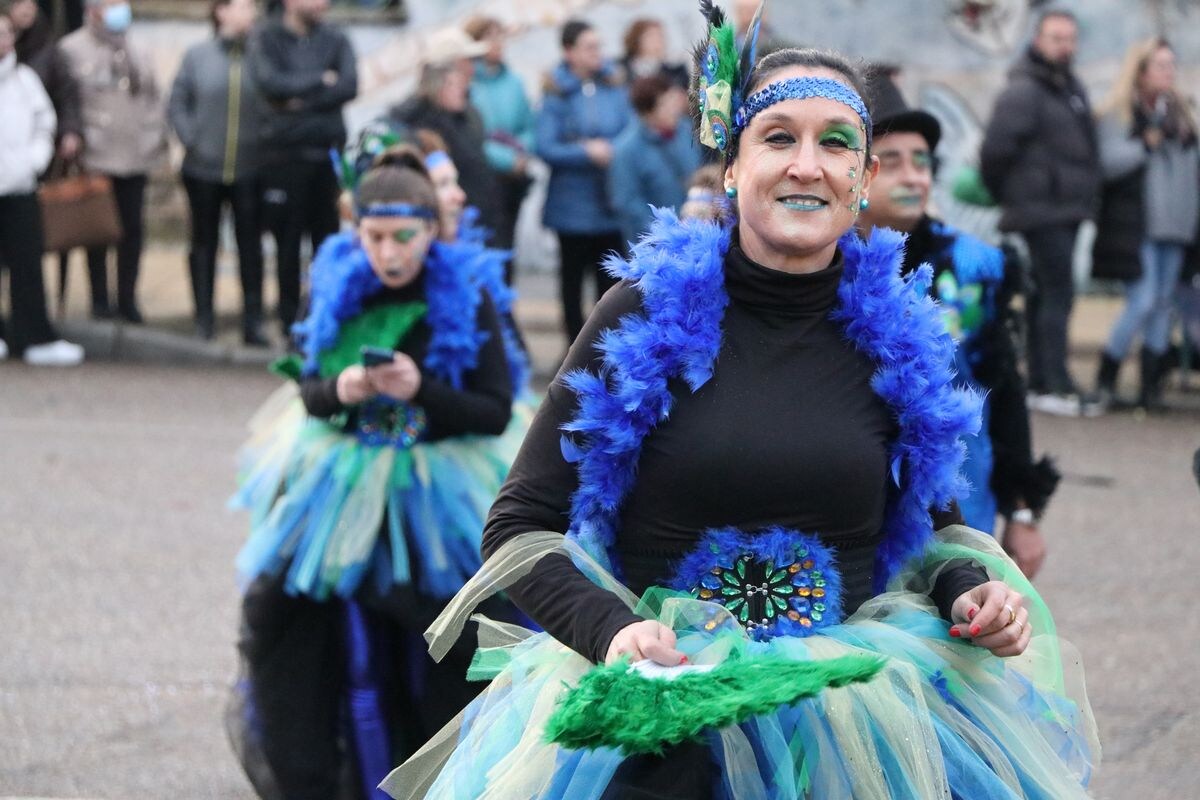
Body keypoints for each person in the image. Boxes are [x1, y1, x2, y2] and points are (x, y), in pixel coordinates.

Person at [380, 5, 1097, 798]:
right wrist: (612, 633)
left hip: (852, 730)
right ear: (731, 166)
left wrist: (972, 589)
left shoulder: (900, 333)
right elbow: (520, 525)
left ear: (862, 179)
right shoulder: (642, 312)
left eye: (836, 144)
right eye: (778, 137)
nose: (806, 164)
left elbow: (930, 518)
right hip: (665, 727)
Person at [227, 141, 531, 800]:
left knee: (447, 650)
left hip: (438, 491)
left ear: (433, 231)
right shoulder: (337, 282)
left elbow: (494, 408)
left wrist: (420, 387)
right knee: (299, 634)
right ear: (354, 230)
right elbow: (309, 390)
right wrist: (347, 389)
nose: (388, 253)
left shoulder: (467, 292)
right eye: (373, 236)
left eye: (403, 237)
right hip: (340, 490)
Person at [859, 69, 1058, 578]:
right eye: (894, 162)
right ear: (860, 172)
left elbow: (1004, 388)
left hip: (962, 504)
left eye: (922, 162)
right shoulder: (820, 266)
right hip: (854, 509)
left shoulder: (976, 266)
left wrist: (1022, 510)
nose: (913, 176)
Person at [980, 8, 1100, 416]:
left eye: (1069, 38)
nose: (1064, 46)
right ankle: (1053, 382)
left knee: (1045, 295)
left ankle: (1042, 381)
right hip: (1041, 212)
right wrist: (1016, 197)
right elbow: (994, 153)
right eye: (1055, 38)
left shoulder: (1067, 87)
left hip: (1062, 210)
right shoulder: (1025, 91)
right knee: (1056, 294)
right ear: (1037, 40)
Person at [1090, 38, 1198, 412]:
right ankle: (1106, 378)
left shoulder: (1182, 113)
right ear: (1140, 70)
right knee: (1143, 299)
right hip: (1138, 224)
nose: (1169, 72)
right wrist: (1145, 144)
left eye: (1172, 65)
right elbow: (1107, 163)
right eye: (1161, 65)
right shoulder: (1119, 112)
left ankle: (1150, 389)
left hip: (1178, 223)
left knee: (1164, 304)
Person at [248, 0, 356, 333]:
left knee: (327, 243)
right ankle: (290, 321)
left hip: (326, 157)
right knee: (287, 244)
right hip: (284, 159)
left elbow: (348, 86)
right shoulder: (266, 38)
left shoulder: (336, 39)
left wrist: (296, 104)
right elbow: (270, 85)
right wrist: (320, 80)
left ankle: (323, 317)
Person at [60, 0, 166, 324]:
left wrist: (154, 135)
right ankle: (99, 299)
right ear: (92, 10)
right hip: (97, 154)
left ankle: (127, 298)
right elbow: (69, 100)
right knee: (97, 230)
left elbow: (153, 96)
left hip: (135, 152)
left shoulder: (138, 47)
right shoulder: (72, 48)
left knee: (132, 230)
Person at [168, 0, 267, 345]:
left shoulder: (261, 56)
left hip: (250, 168)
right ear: (221, 12)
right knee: (203, 244)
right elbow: (178, 101)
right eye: (243, 6)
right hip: (203, 169)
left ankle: (252, 322)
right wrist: (191, 138)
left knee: (250, 246)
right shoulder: (198, 56)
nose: (251, 13)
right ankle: (203, 318)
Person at [537, 18, 631, 346]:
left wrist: (613, 149)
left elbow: (629, 131)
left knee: (611, 280)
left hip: (608, 201)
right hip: (572, 205)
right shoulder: (556, 93)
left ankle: (606, 349)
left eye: (599, 46)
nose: (598, 54)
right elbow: (545, 146)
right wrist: (585, 151)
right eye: (589, 47)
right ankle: (573, 348)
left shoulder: (613, 86)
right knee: (572, 281)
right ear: (569, 52)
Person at [0, 9, 82, 366]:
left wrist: (32, 161)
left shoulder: (24, 80)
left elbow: (45, 123)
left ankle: (34, 335)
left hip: (19, 188)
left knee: (27, 266)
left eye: (6, 32)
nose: (3, 39)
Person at [388, 28, 500, 237]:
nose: (472, 71)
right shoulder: (412, 120)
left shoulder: (467, 111)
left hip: (475, 221)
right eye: (467, 63)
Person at [464, 14, 535, 283]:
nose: (497, 43)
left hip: (512, 181)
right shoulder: (469, 84)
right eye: (489, 36)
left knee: (507, 246)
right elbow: (472, 136)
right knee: (485, 246)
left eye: (500, 36)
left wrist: (522, 153)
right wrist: (506, 159)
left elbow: (527, 124)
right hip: (482, 179)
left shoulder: (514, 82)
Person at [609, 73, 702, 246]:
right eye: (664, 105)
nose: (673, 109)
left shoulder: (685, 131)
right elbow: (627, 203)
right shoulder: (626, 150)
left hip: (694, 235)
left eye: (673, 101)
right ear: (647, 112)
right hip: (654, 246)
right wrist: (667, 231)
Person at [620, 17, 689, 89]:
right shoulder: (621, 68)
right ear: (637, 39)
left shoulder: (676, 72)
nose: (658, 41)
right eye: (651, 36)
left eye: (661, 36)